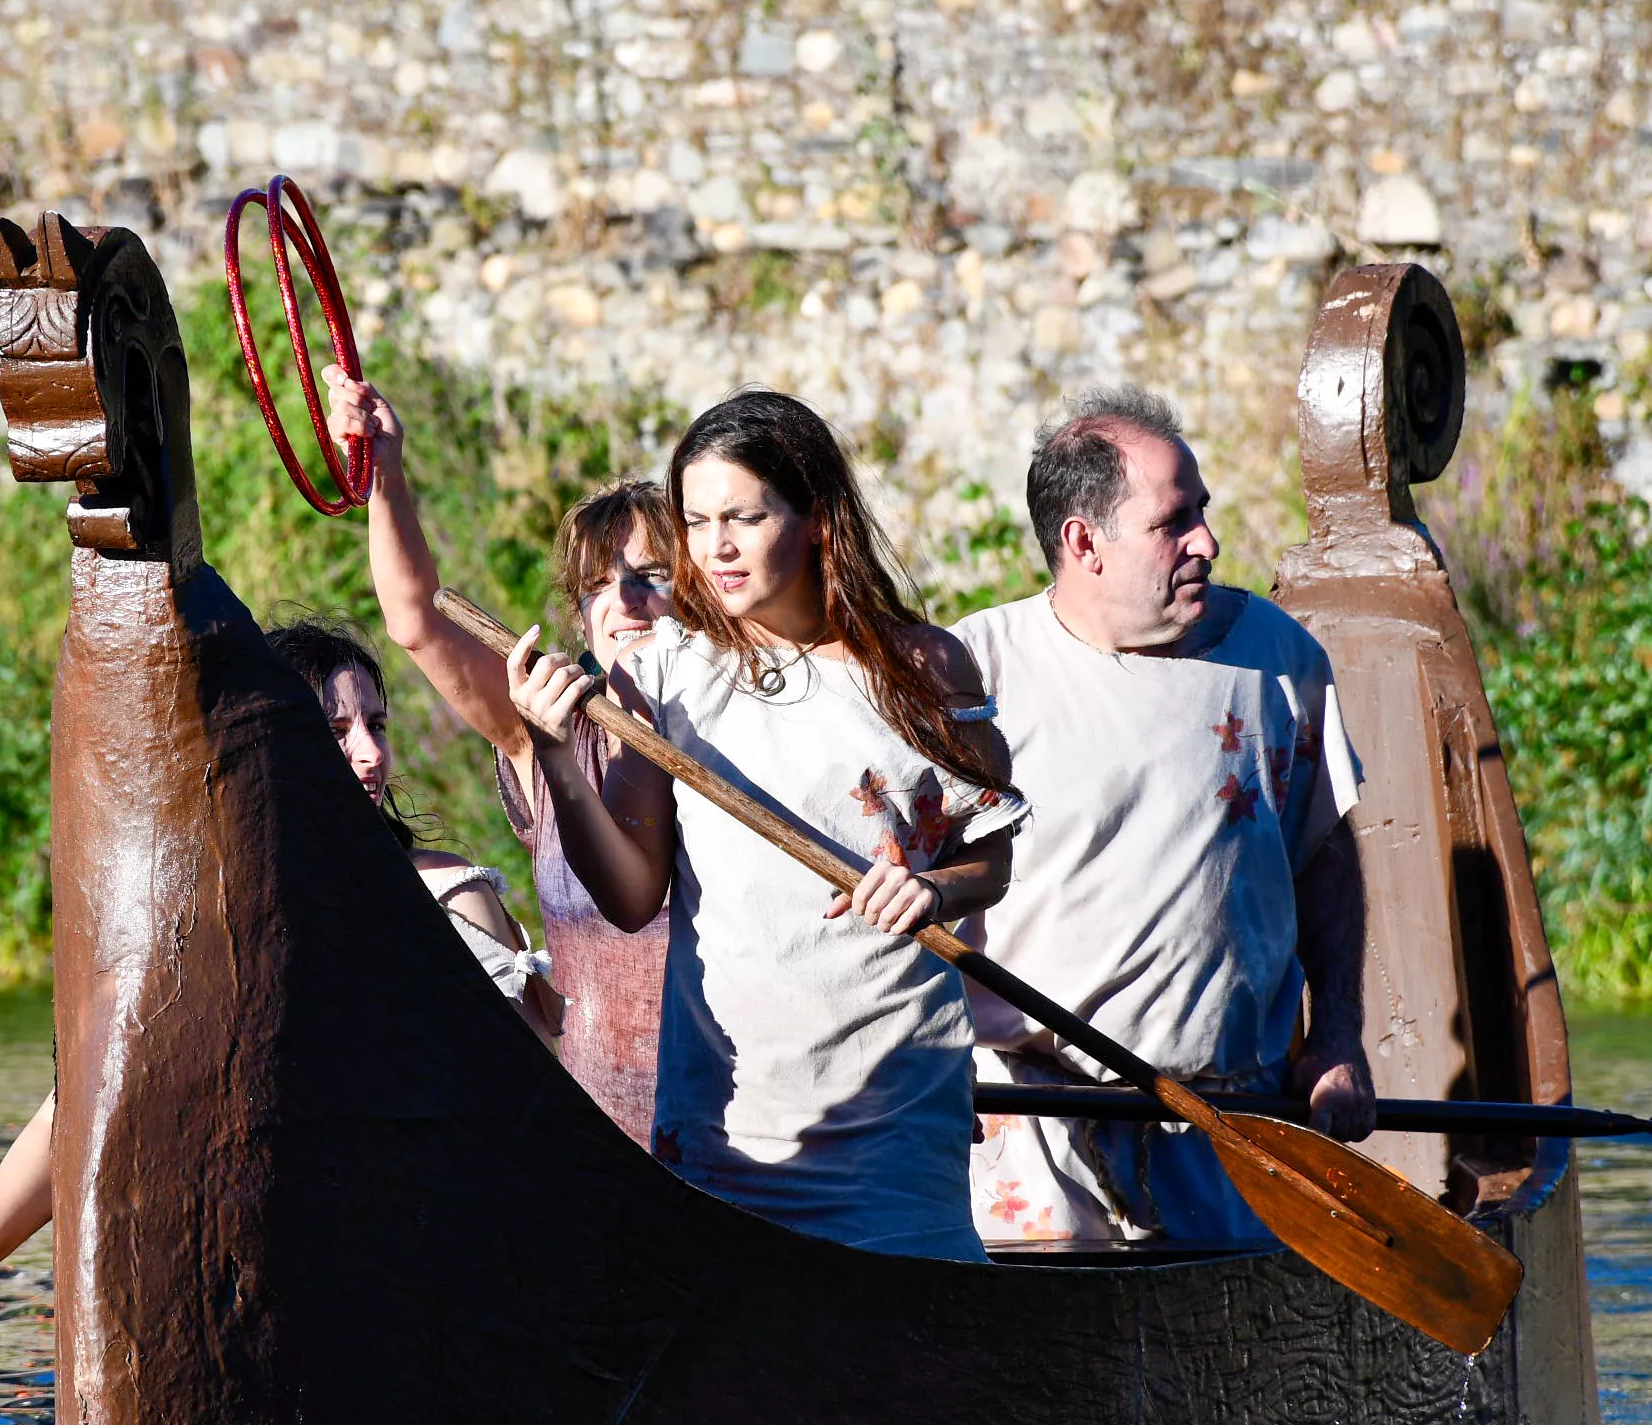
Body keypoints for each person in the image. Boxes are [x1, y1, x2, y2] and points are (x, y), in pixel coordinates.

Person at [0, 618, 551, 1322]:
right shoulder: (206, 921)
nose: (370, 755)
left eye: (377, 725)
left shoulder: (446, 892)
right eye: (334, 730)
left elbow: (535, 1098)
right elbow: (86, 1104)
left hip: (444, 1263)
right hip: (282, 1272)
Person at [508, 390, 1029, 1262]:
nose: (715, 548)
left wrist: (933, 888)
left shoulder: (924, 666)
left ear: (817, 517)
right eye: (698, 521)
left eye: (745, 517)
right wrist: (558, 756)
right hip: (730, 1124)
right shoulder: (666, 672)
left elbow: (993, 862)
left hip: (894, 1116)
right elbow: (633, 897)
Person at [952, 386, 1372, 1248]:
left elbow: (1323, 857)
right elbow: (911, 892)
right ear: (1084, 542)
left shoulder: (1278, 659)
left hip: (1233, 1122)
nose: (1207, 542)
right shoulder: (974, 675)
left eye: (1203, 513)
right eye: (1173, 522)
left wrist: (1335, 1039)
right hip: (1030, 1126)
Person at [322, 364, 678, 1147]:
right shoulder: (538, 728)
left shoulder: (743, 733)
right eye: (600, 584)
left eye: (652, 575)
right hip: (603, 1141)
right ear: (580, 622)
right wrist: (385, 471)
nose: (626, 598)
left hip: (748, 1135)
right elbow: (415, 621)